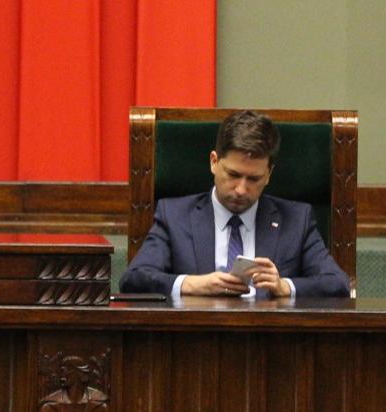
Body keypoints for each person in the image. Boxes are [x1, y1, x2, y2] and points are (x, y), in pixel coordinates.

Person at [120, 110, 349, 299]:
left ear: (269, 174)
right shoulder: (174, 215)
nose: (241, 189)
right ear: (213, 162)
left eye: (254, 179)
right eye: (233, 174)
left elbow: (338, 284)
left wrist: (284, 287)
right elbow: (134, 279)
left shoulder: (296, 220)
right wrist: (191, 284)